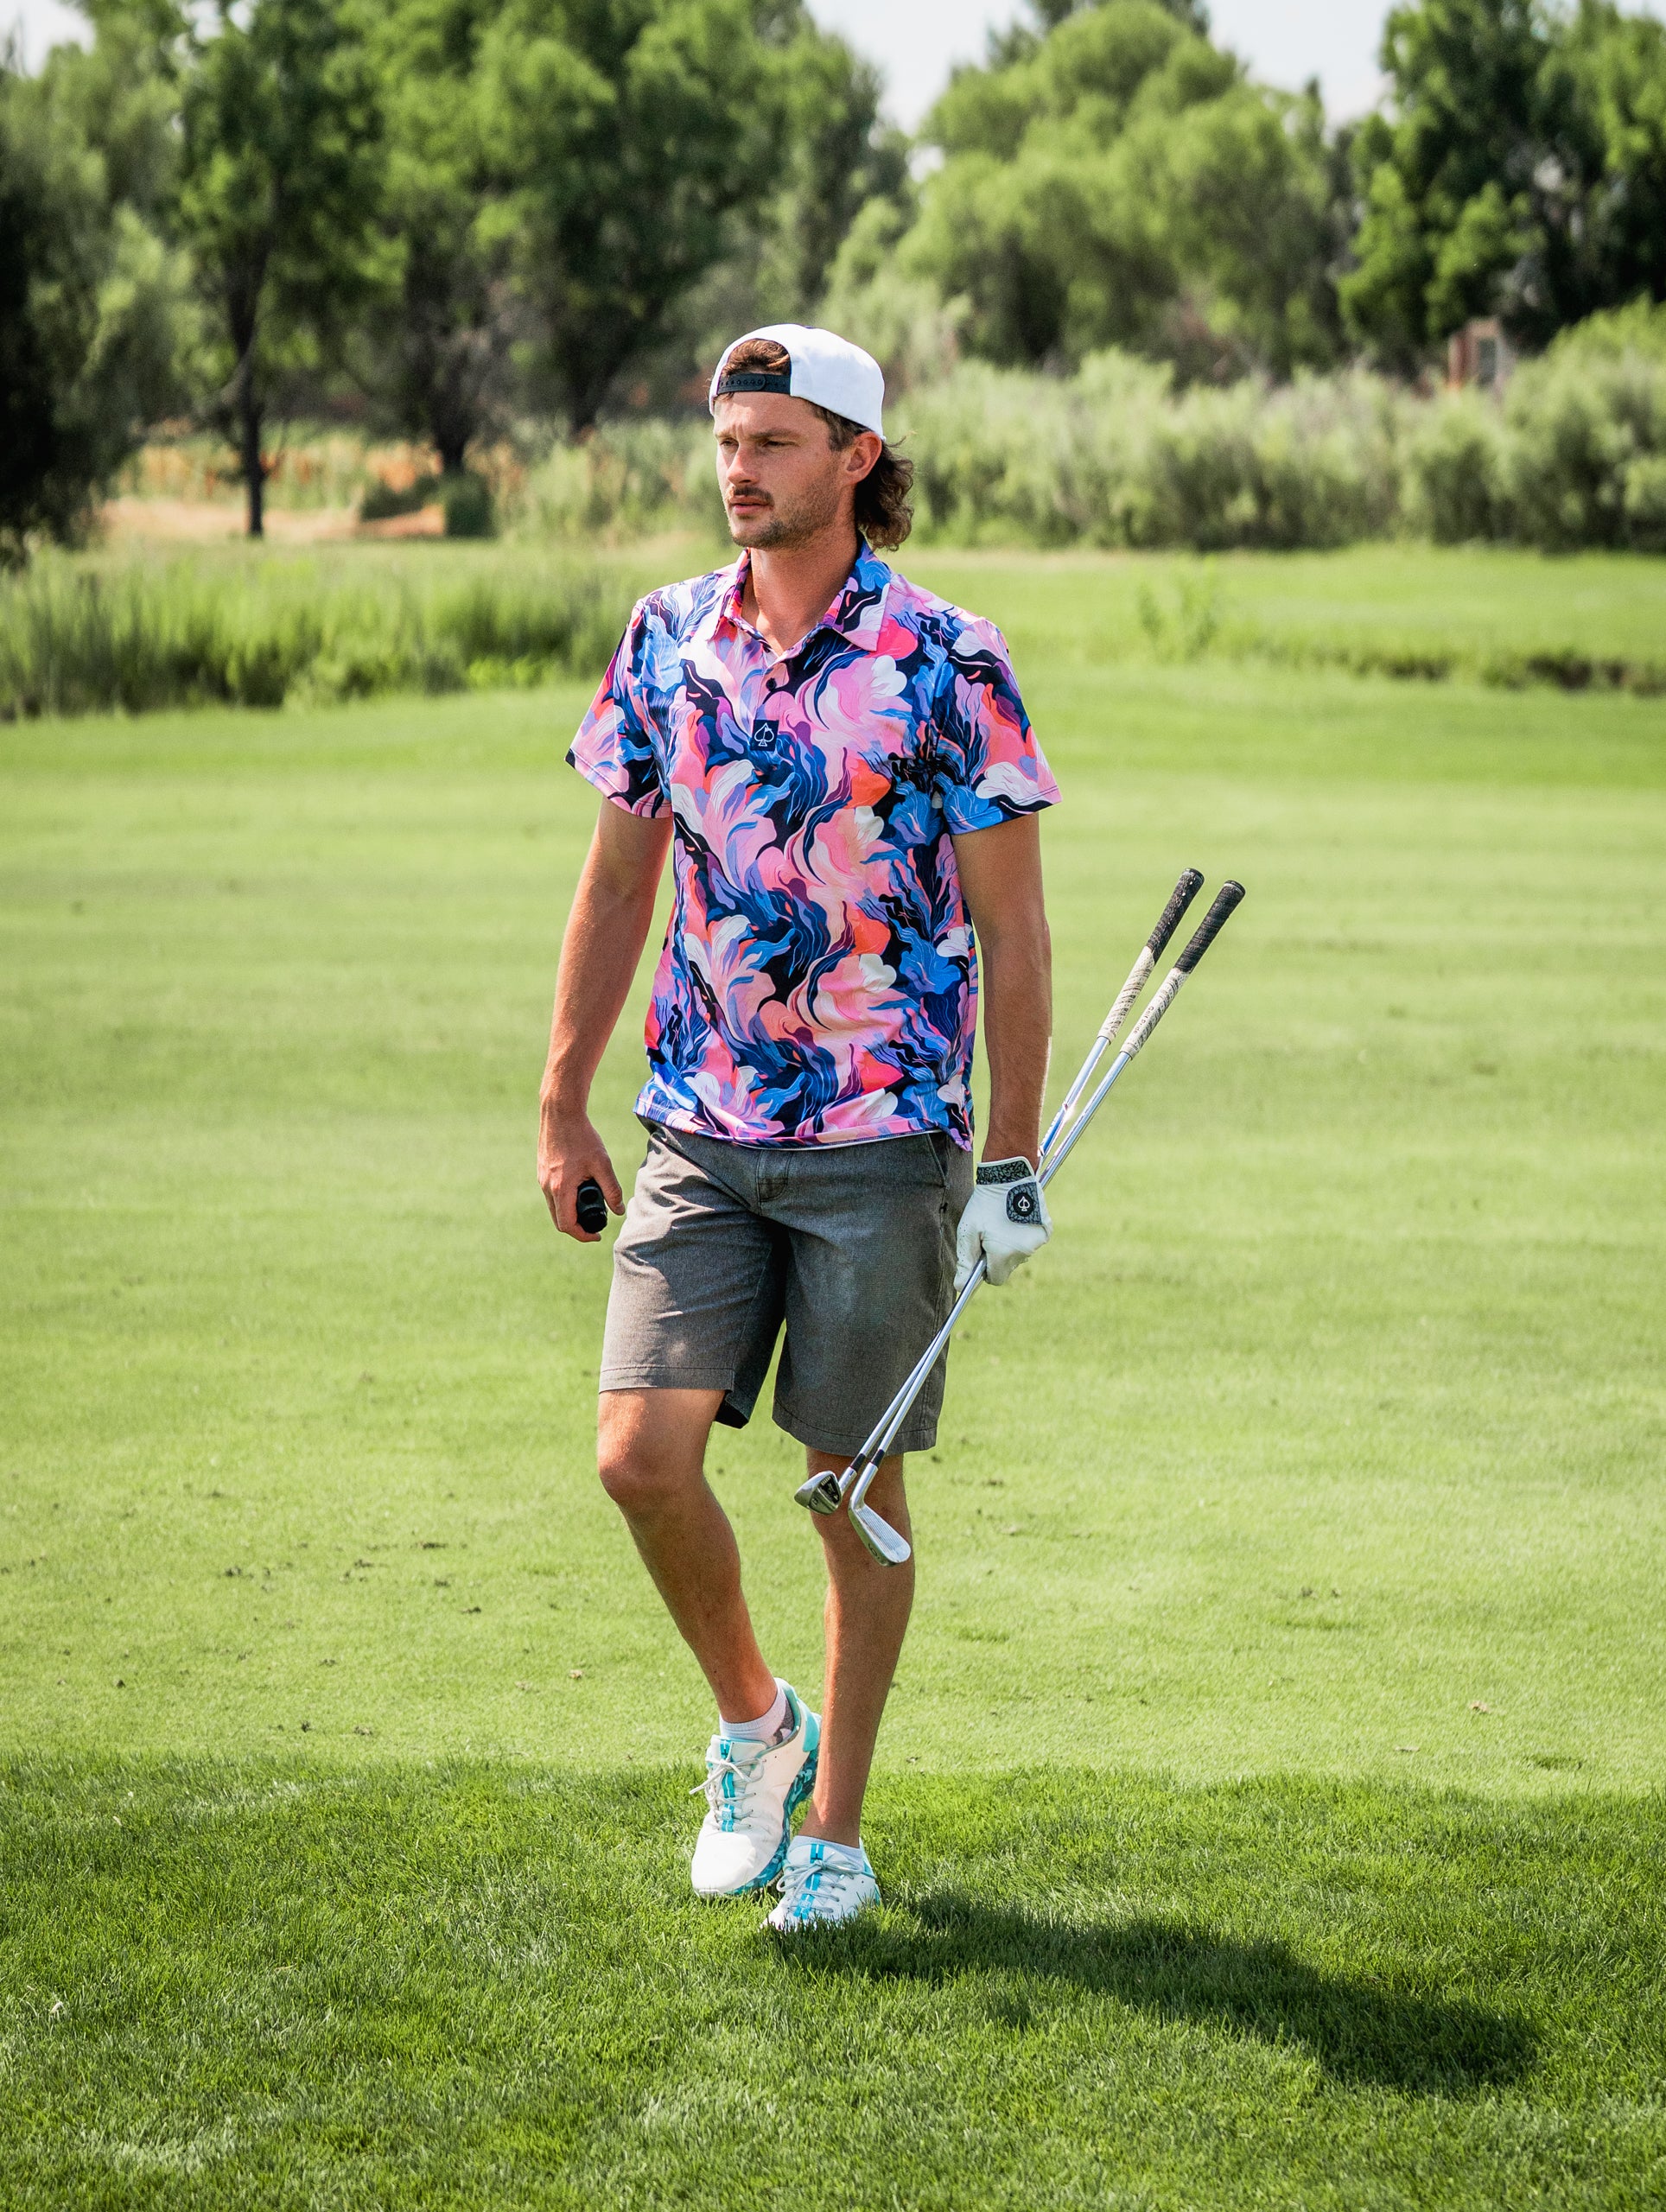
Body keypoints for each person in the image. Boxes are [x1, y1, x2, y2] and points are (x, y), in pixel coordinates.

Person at [536, 323, 1060, 1931]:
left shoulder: (949, 660)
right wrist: (562, 1094)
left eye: (772, 441)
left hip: (888, 1138)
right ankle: (758, 1728)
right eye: (727, 441)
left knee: (853, 1493)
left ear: (856, 461)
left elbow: (1016, 936)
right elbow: (620, 876)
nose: (739, 468)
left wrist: (1015, 1158)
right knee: (638, 1457)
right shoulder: (666, 639)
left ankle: (835, 1836)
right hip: (702, 1122)